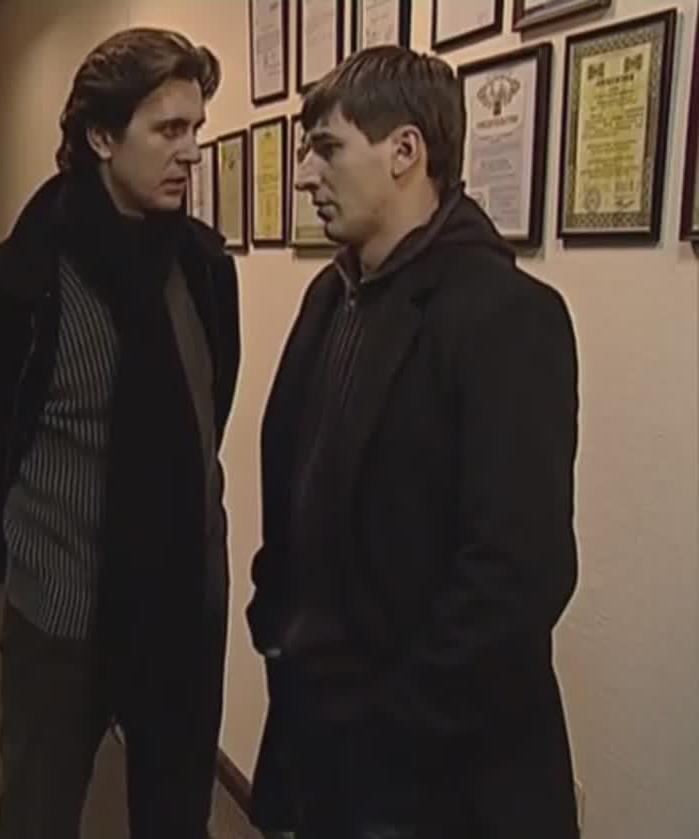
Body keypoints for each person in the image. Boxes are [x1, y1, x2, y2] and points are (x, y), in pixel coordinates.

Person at [0, 28, 240, 839]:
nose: (191, 151)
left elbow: (207, 412)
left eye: (197, 128)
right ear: (101, 137)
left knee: (177, 818)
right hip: (64, 614)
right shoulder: (16, 288)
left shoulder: (202, 267)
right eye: (169, 129)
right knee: (38, 813)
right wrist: (7, 546)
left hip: (182, 604)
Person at [245, 45, 580, 839]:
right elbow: (296, 490)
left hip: (437, 772)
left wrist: (394, 729)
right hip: (323, 745)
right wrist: (278, 631)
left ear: (405, 152)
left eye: (327, 148)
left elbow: (516, 572)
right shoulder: (330, 296)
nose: (304, 175)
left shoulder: (505, 315)